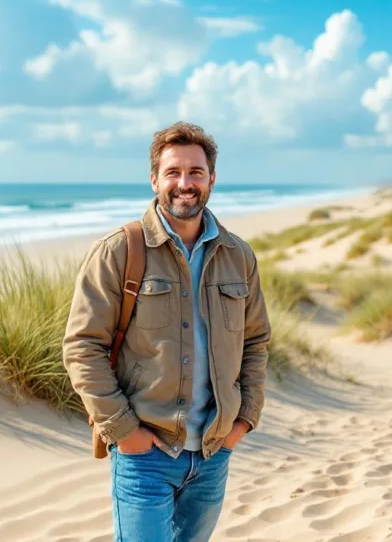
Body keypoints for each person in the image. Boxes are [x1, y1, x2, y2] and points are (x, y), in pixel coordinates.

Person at [62, 121, 272, 542]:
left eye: (195, 172)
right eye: (173, 172)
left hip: (214, 454)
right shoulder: (119, 251)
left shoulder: (238, 256)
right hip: (146, 455)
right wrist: (125, 432)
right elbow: (82, 347)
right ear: (154, 178)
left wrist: (244, 420)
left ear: (211, 179)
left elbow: (255, 342)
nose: (185, 184)